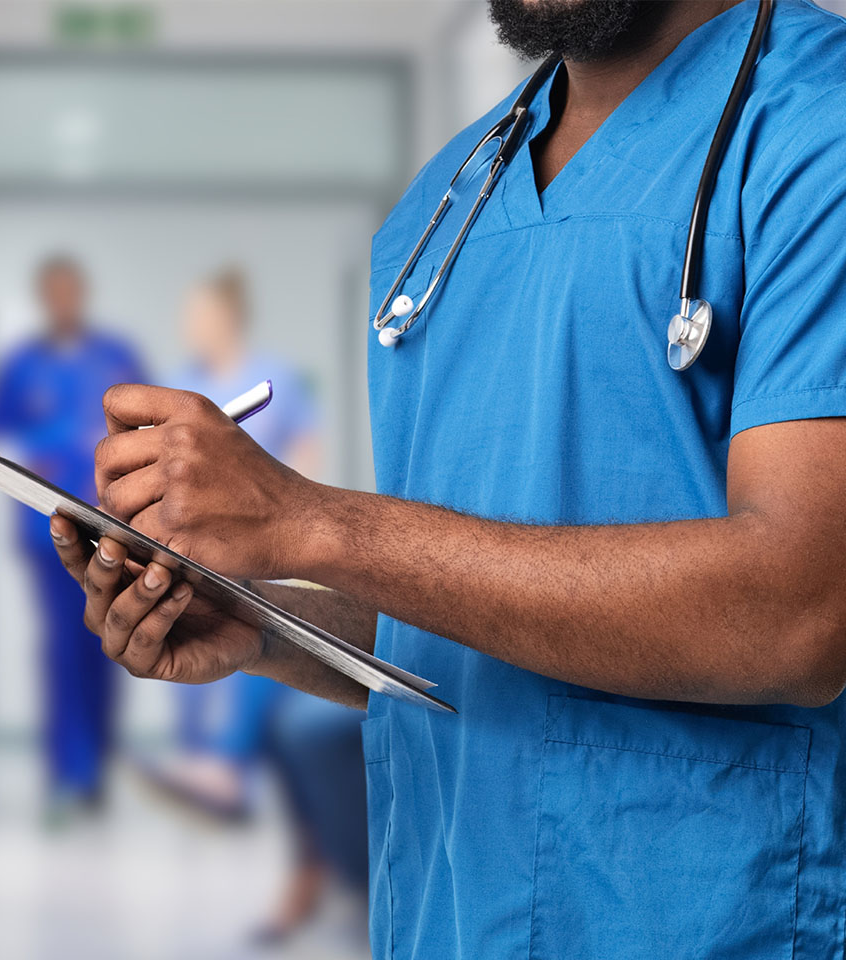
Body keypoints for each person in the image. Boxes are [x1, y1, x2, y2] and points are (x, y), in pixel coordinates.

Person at [49, 1, 846, 956]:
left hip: (714, 920)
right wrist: (266, 625)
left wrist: (313, 522)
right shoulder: (446, 209)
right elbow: (476, 617)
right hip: (445, 910)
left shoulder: (815, 131)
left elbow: (801, 611)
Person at [150, 269, 367, 945]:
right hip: (195, 559)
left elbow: (304, 462)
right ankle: (234, 784)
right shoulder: (185, 386)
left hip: (263, 555)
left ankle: (229, 772)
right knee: (211, 678)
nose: (191, 324)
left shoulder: (273, 377)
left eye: (199, 311)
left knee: (266, 672)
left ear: (228, 315)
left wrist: (290, 529)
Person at [0, 255, 145, 820]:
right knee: (59, 646)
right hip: (45, 528)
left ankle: (95, 766)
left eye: (71, 290)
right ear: (43, 299)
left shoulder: (116, 357)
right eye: (53, 292)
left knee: (108, 642)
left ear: (82, 294)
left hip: (112, 528)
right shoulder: (21, 365)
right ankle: (67, 773)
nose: (63, 301)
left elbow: (149, 429)